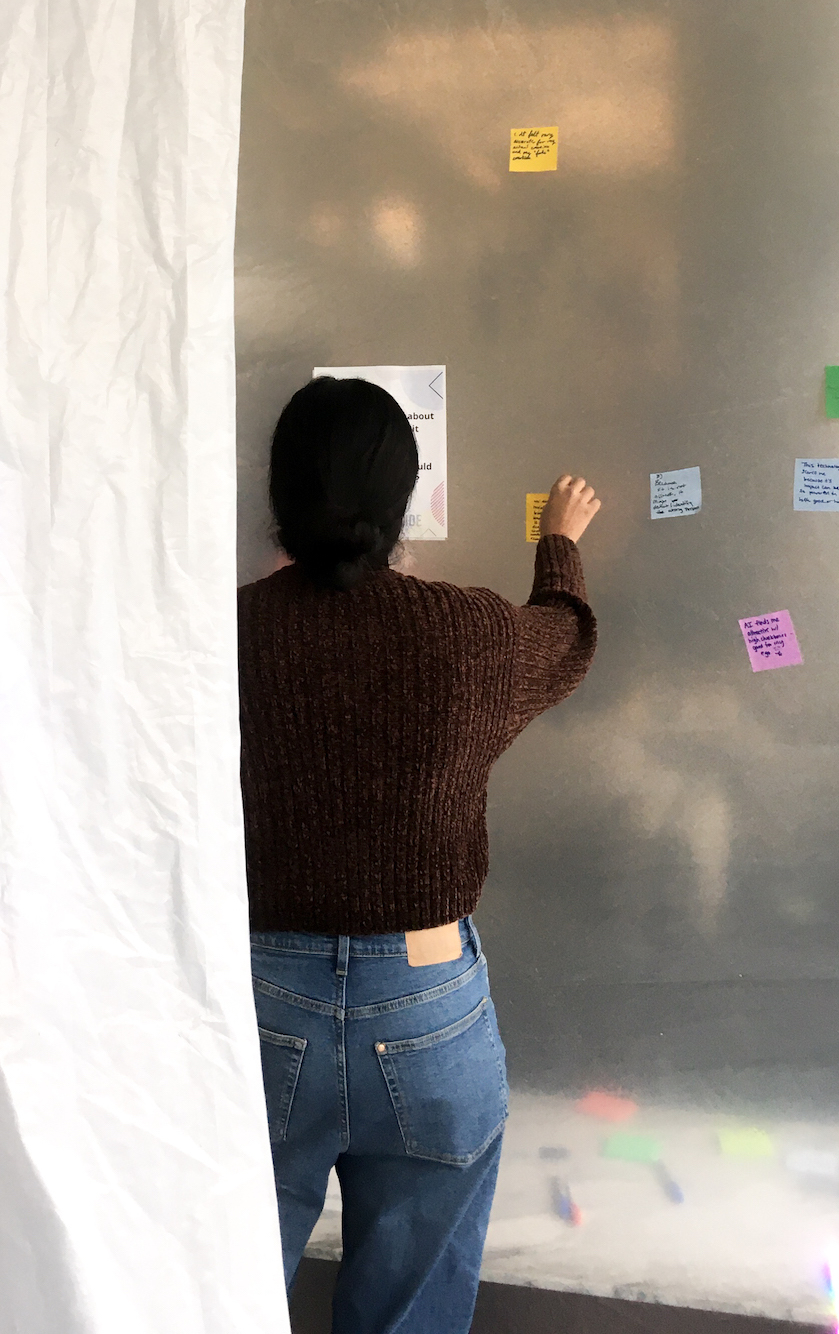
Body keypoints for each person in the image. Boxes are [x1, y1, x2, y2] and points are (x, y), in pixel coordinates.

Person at [238, 376, 600, 1333]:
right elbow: (563, 642)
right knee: (412, 1310)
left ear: (278, 497)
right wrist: (558, 545)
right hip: (429, 1001)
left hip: (261, 1003)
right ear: (407, 502)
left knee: (225, 1286)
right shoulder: (465, 633)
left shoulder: (224, 633)